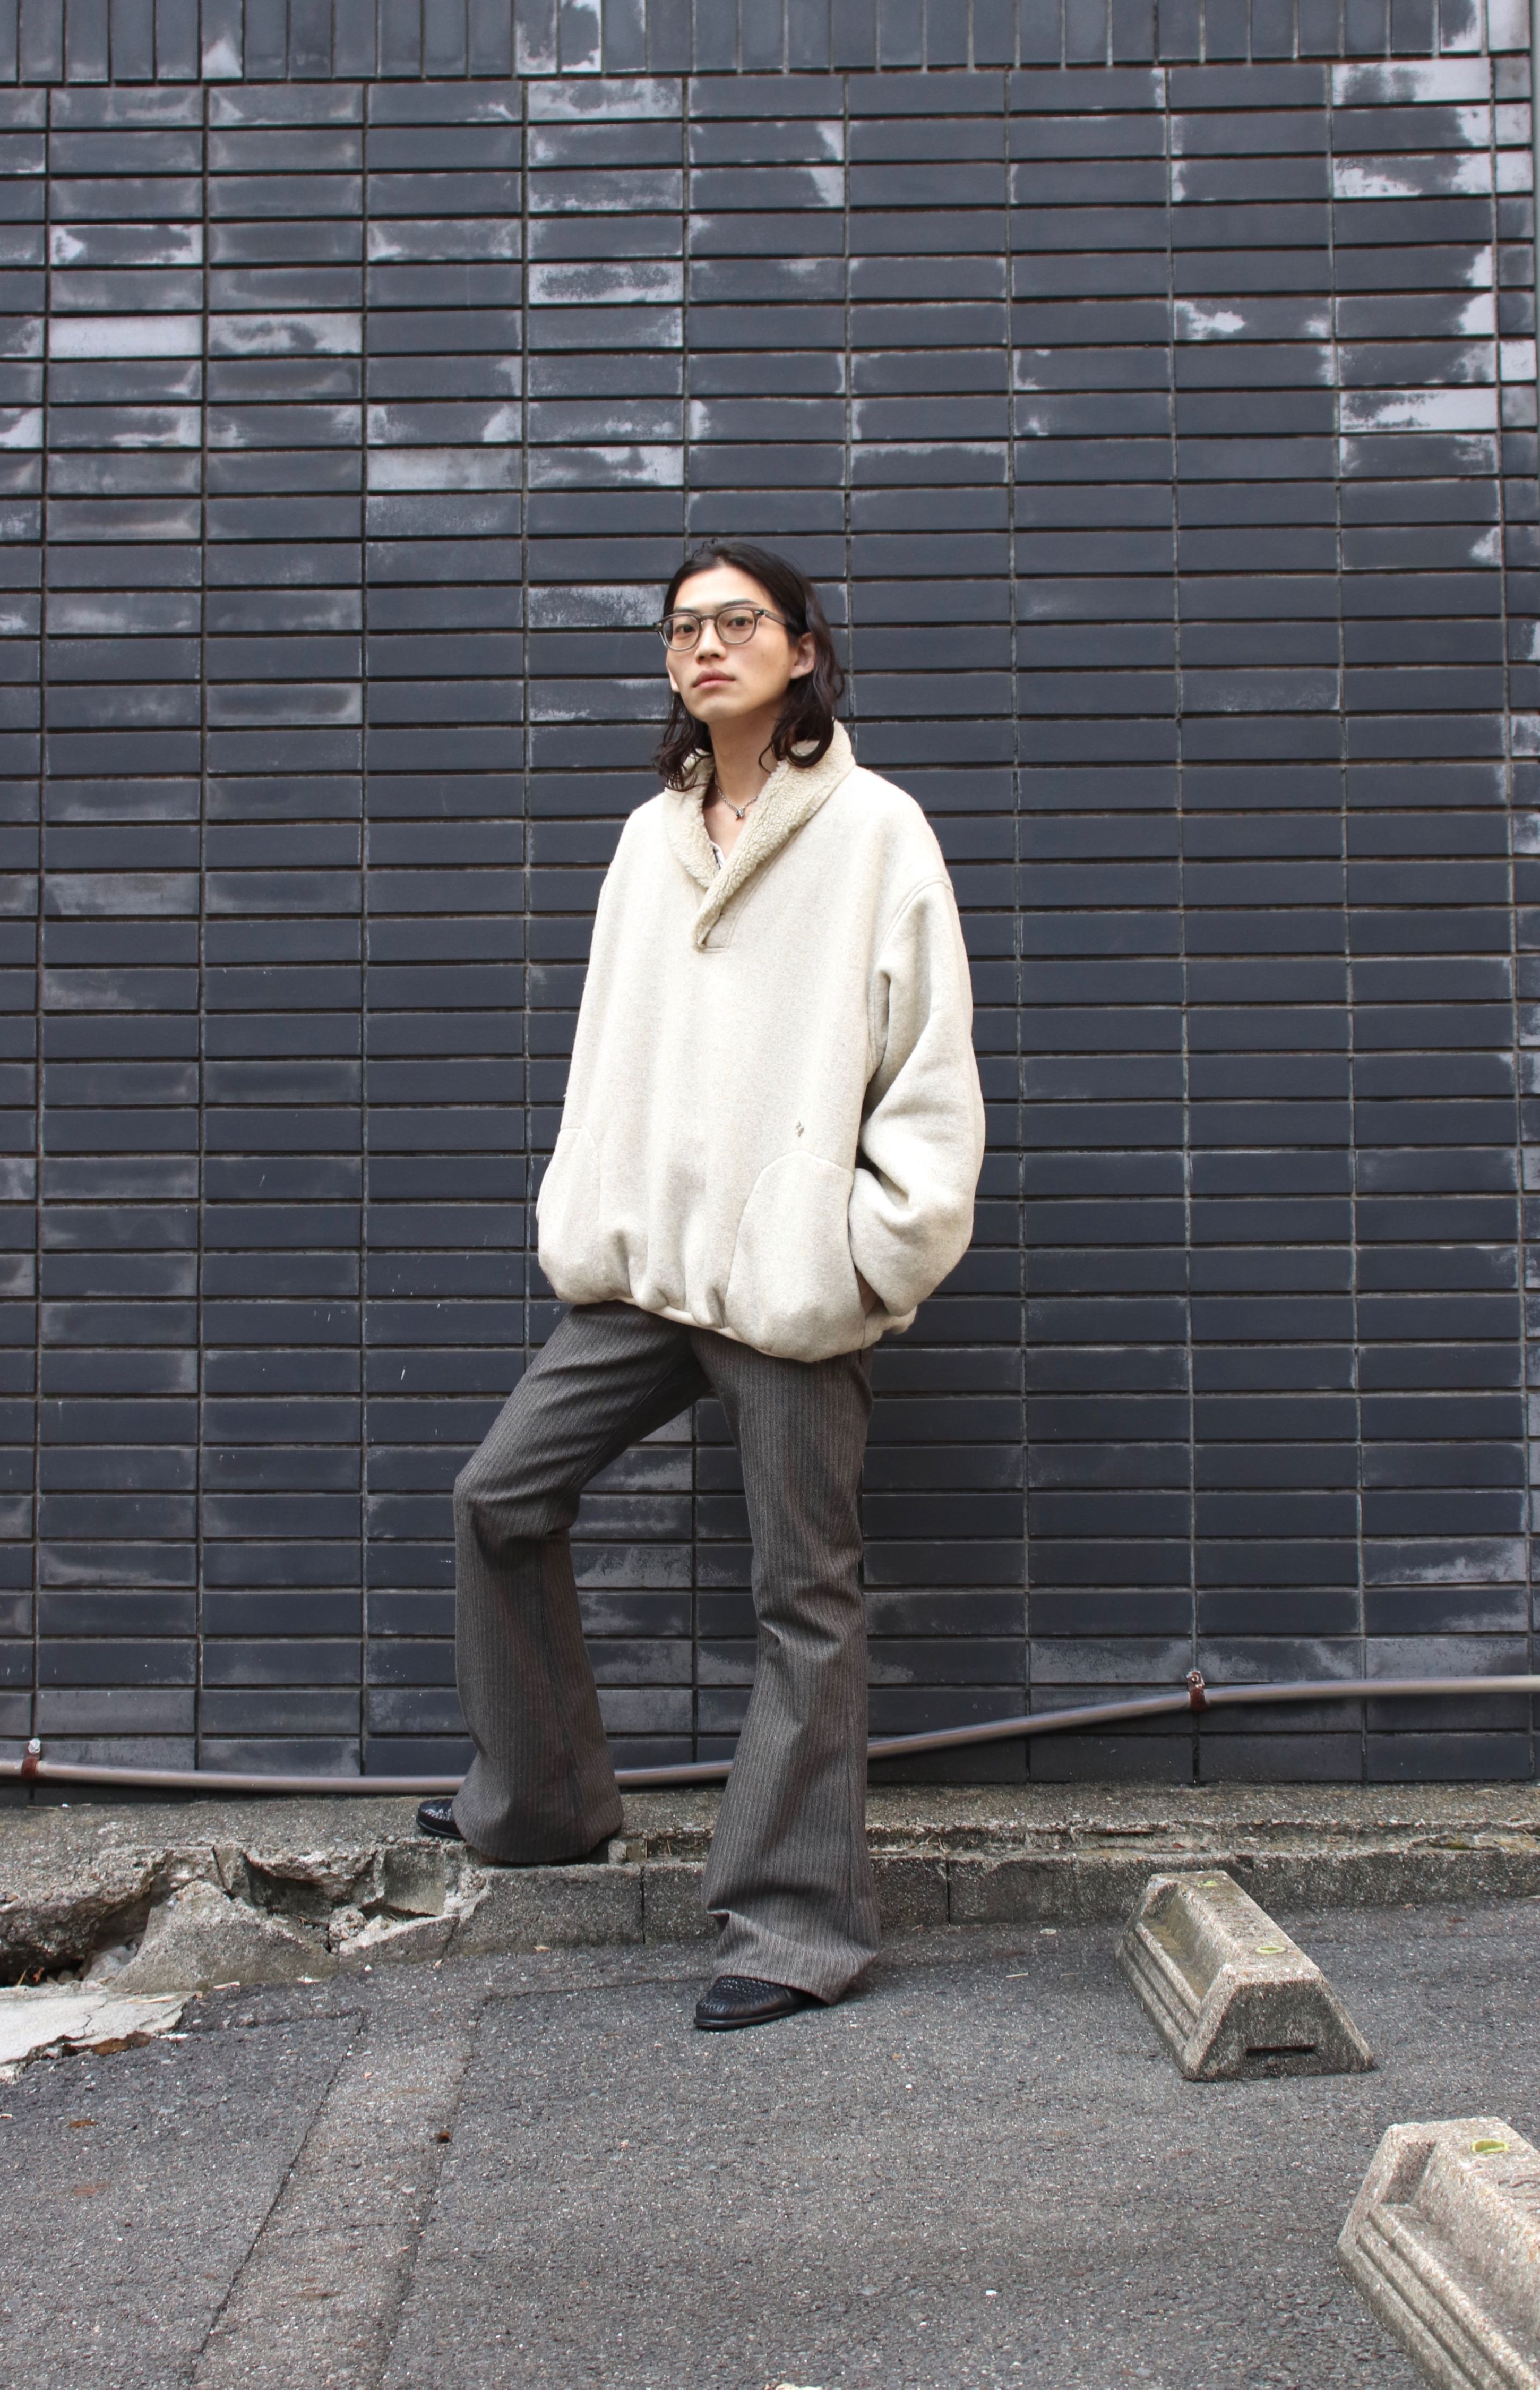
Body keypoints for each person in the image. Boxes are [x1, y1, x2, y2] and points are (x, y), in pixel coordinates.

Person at [417, 541, 985, 2031]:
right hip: (649, 1270)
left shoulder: (875, 831)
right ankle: (541, 1800)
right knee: (498, 1497)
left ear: (803, 649)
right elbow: (610, 1046)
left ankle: (797, 1927)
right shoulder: (647, 839)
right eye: (684, 628)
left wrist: (867, 1254)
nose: (707, 645)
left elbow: (928, 1072)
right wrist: (588, 1201)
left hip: (789, 1285)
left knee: (804, 1593)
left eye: (739, 621)